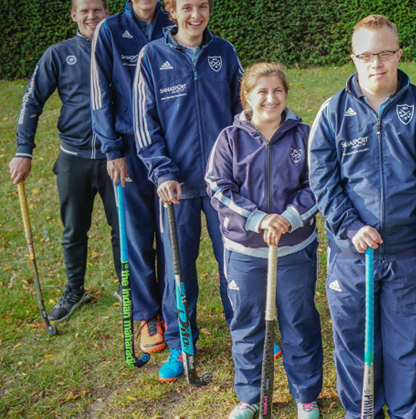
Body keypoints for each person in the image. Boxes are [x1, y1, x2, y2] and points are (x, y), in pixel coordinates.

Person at [309, 15, 416, 419]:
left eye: (385, 53)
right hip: (352, 255)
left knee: (407, 340)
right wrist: (350, 226)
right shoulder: (333, 112)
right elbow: (322, 180)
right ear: (353, 58)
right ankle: (363, 411)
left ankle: (407, 410)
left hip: (408, 252)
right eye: (367, 55)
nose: (377, 64)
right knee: (355, 340)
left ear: (398, 54)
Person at [132, 0, 241, 382]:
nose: (196, 15)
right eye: (187, 7)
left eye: (203, 6)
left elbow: (241, 112)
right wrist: (162, 173)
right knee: (179, 270)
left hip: (221, 184)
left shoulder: (224, 52)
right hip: (174, 186)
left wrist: (237, 168)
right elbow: (144, 123)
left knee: (235, 261)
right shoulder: (152, 56)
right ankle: (181, 343)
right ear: (172, 12)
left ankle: (245, 333)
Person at [207, 63, 323, 419]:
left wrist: (288, 218)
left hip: (294, 248)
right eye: (262, 92)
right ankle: (250, 396)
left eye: (278, 91)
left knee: (299, 321)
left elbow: (318, 184)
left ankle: (306, 395)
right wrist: (258, 219)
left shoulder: (305, 135)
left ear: (286, 94)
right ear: (247, 96)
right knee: (247, 323)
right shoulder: (230, 138)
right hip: (245, 252)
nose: (271, 98)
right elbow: (217, 187)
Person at [9, 0, 117, 322]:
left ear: (107, 13)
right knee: (73, 230)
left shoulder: (121, 49)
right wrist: (23, 150)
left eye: (97, 10)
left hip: (116, 160)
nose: (91, 16)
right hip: (74, 159)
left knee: (122, 229)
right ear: (73, 15)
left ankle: (129, 287)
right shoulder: (58, 54)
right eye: (83, 11)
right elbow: (32, 99)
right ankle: (75, 290)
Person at [91, 0, 174, 355]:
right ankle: (148, 315)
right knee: (138, 233)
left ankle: (174, 309)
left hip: (169, 147)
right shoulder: (109, 29)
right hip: (128, 149)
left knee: (171, 233)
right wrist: (112, 150)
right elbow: (99, 92)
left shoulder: (174, 21)